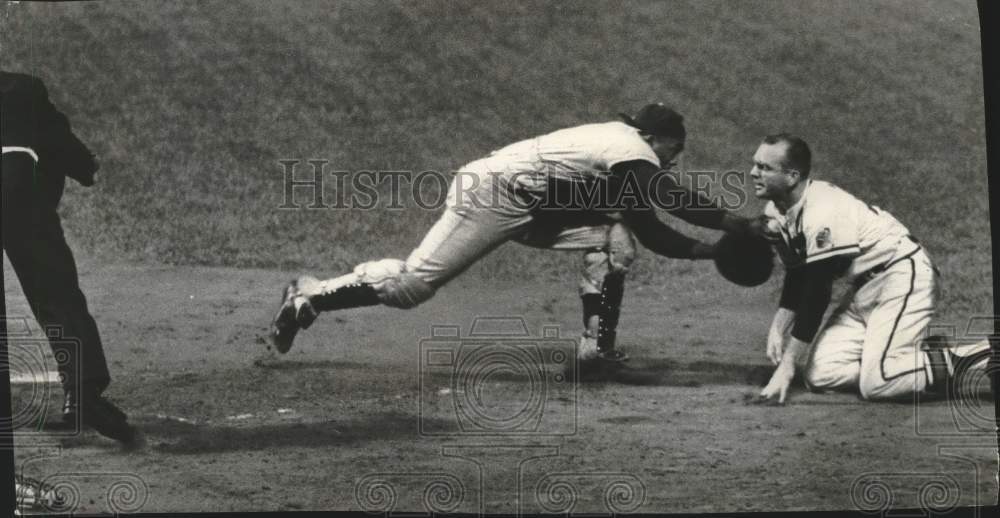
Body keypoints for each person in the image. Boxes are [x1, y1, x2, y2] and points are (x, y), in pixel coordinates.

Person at [270, 104, 763, 361]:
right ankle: (312, 294)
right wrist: (732, 226)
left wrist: (712, 250)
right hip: (493, 195)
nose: (673, 159)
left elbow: (649, 229)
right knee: (412, 287)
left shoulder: (621, 158)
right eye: (674, 149)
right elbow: (669, 200)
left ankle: (596, 350)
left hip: (536, 206)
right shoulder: (627, 146)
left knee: (613, 240)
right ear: (656, 139)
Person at [750, 133, 992, 403]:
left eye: (764, 167)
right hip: (865, 289)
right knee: (821, 375)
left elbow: (817, 292)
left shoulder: (822, 211)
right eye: (755, 164)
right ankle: (914, 360)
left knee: (877, 383)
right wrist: (778, 327)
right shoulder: (777, 209)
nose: (753, 173)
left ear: (792, 176)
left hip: (902, 276)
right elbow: (799, 273)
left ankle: (985, 355)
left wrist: (787, 364)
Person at [1, 71, 137, 444]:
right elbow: (61, 144)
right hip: (19, 194)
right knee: (57, 295)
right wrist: (86, 167)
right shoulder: (22, 89)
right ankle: (83, 393)